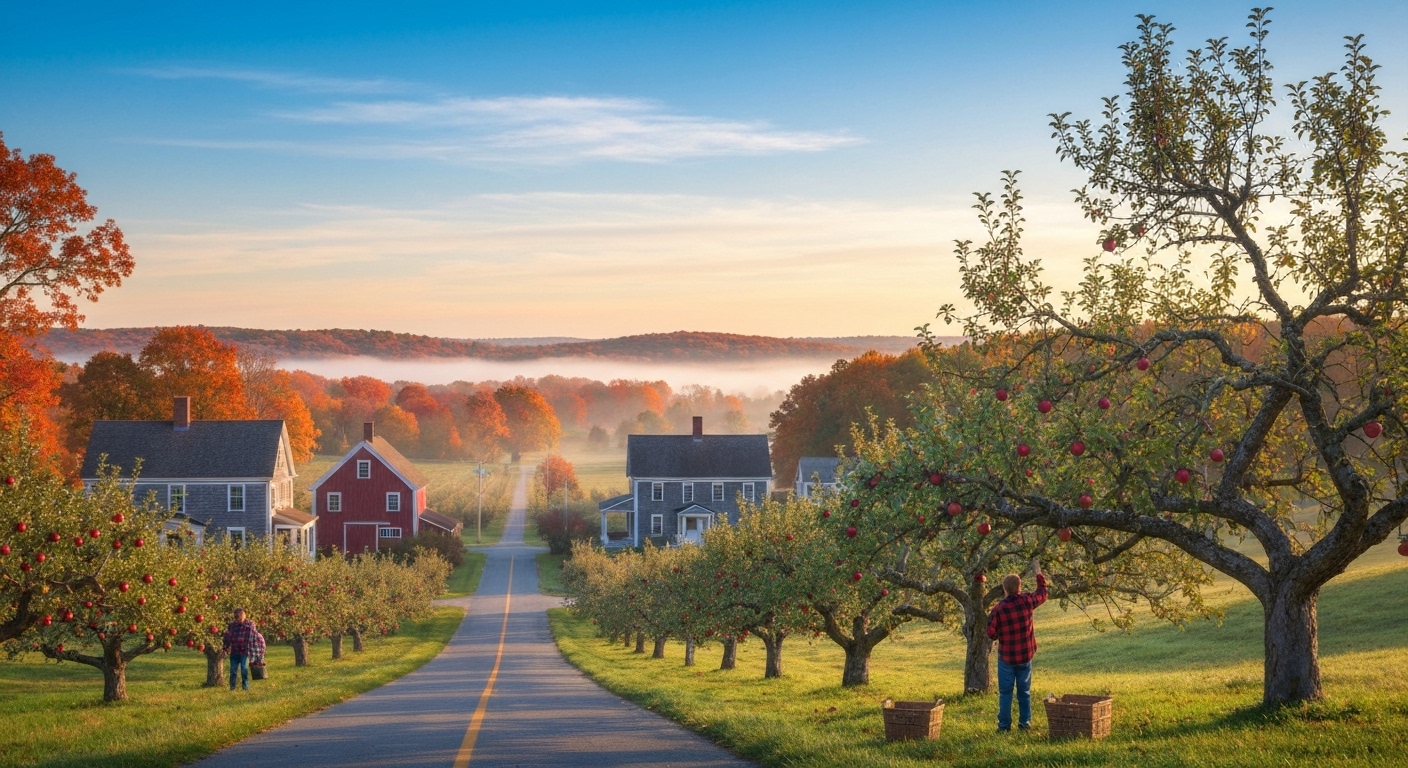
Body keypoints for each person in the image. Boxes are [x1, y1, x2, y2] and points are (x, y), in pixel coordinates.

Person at [986, 562, 1048, 732]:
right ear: (1020, 587)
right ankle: (1025, 724)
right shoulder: (1027, 601)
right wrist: (1039, 575)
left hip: (1006, 658)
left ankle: (1004, 726)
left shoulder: (998, 609)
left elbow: (990, 632)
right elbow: (1042, 594)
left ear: (1004, 589)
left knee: (1006, 694)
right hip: (1025, 656)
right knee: (1024, 692)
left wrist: (1000, 635)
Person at [222, 607, 258, 691]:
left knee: (244, 669)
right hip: (234, 651)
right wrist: (225, 648)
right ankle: (232, 687)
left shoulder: (250, 624)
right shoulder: (232, 626)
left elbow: (253, 634)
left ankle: (245, 687)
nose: (237, 619)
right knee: (233, 670)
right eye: (236, 617)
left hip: (244, 652)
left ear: (243, 616)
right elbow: (228, 638)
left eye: (239, 616)